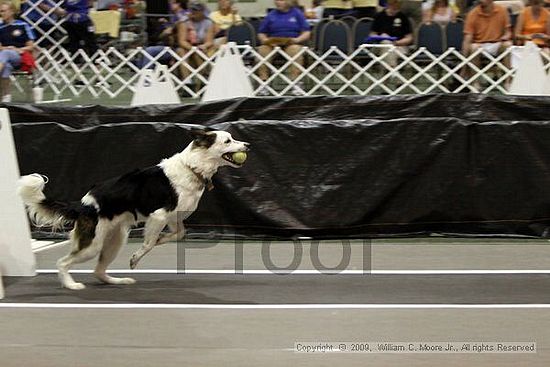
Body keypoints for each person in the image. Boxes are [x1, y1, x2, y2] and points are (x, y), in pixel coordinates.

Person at [257, 0, 311, 96]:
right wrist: (265, 40)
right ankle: (263, 83)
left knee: (295, 50)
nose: (277, 2)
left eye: (280, 0)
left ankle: (296, 83)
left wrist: (297, 40)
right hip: (273, 44)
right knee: (262, 50)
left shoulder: (297, 13)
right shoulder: (271, 15)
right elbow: (261, 33)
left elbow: (307, 32)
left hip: (291, 42)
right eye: (276, 0)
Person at [462, 0, 512, 89]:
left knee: (508, 45)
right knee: (473, 47)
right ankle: (476, 82)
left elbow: (508, 32)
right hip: (480, 45)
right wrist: (464, 61)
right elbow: (468, 38)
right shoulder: (472, 14)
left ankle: (508, 81)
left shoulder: (502, 11)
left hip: (497, 43)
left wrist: (505, 36)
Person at [0, 1, 35, 102]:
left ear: (11, 12)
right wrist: (7, 48)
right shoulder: (0, 28)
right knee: (5, 65)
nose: (2, 14)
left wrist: (18, 49)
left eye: (4, 11)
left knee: (5, 54)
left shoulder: (23, 25)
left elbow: (31, 47)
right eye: (0, 11)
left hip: (20, 57)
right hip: (5, 58)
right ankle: (6, 97)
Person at [175, 2, 215, 87]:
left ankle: (203, 80)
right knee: (181, 51)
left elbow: (209, 41)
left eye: (196, 10)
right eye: (192, 10)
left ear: (202, 11)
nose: (193, 12)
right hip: (186, 46)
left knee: (201, 53)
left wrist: (203, 46)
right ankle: (187, 83)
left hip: (201, 45)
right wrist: (193, 49)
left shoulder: (209, 22)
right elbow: (182, 41)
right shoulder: (184, 21)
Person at [370, 0, 413, 66]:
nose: (395, 7)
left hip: (399, 46)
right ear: (388, 4)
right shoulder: (379, 16)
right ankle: (392, 70)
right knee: (386, 42)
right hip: (380, 46)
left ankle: (389, 70)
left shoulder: (403, 17)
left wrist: (396, 43)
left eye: (397, 5)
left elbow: (409, 38)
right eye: (393, 4)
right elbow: (372, 35)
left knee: (390, 49)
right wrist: (382, 37)